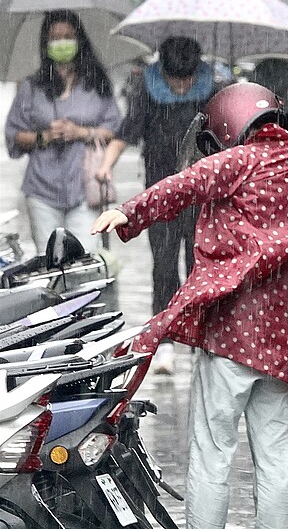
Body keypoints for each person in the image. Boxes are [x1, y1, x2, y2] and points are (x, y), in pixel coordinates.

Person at [91, 82, 288, 529]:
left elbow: (188, 183)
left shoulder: (239, 159)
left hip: (231, 339)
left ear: (226, 125)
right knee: (277, 464)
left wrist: (131, 212)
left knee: (212, 457)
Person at [96, 35, 221, 374]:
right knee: (163, 269)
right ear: (163, 74)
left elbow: (229, 138)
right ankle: (164, 342)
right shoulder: (147, 92)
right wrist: (106, 165)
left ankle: (200, 338)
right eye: (175, 80)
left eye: (187, 80)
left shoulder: (214, 92)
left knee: (202, 269)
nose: (181, 88)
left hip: (203, 198)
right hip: (161, 198)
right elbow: (126, 133)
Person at [5, 9, 121, 254]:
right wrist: (44, 137)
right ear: (45, 43)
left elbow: (115, 129)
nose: (62, 43)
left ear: (79, 40)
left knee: (82, 259)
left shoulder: (96, 83)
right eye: (55, 38)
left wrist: (82, 132)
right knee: (50, 262)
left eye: (68, 36)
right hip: (42, 189)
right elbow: (14, 135)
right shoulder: (32, 87)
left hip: (85, 188)